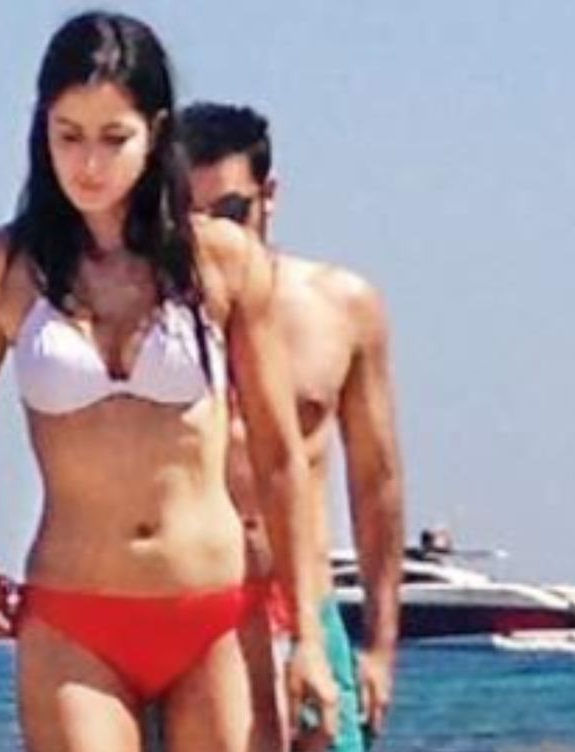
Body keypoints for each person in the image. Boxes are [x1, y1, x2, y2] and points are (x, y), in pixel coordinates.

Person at [0, 13, 338, 752]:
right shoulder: (3, 268)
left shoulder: (223, 261)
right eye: (68, 135)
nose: (88, 164)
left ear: (155, 133)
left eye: (113, 138)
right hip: (73, 613)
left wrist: (307, 634)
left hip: (213, 605)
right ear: (41, 131)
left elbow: (280, 459)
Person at [179, 103, 405, 751]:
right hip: (187, 611)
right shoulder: (144, 322)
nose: (213, 235)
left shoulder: (340, 306)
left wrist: (380, 646)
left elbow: (377, 482)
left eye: (231, 212)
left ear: (269, 196)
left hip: (300, 606)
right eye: (188, 216)